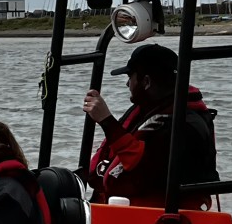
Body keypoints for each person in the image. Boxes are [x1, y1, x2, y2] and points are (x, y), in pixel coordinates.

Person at [81, 42, 218, 209]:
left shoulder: (186, 127)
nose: (127, 85)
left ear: (146, 81)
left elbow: (141, 170)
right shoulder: (148, 110)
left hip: (158, 222)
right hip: (126, 212)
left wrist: (107, 121)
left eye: (130, 77)